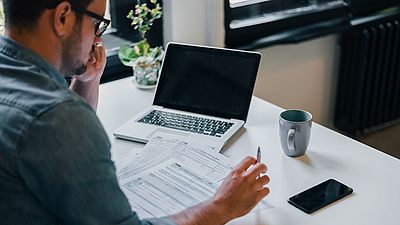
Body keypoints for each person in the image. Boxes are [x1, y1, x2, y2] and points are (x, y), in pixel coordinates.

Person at [0, 0, 270, 224]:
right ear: (62, 17)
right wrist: (223, 205)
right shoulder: (58, 117)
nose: (97, 38)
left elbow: (52, 144)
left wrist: (87, 81)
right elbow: (57, 125)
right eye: (97, 24)